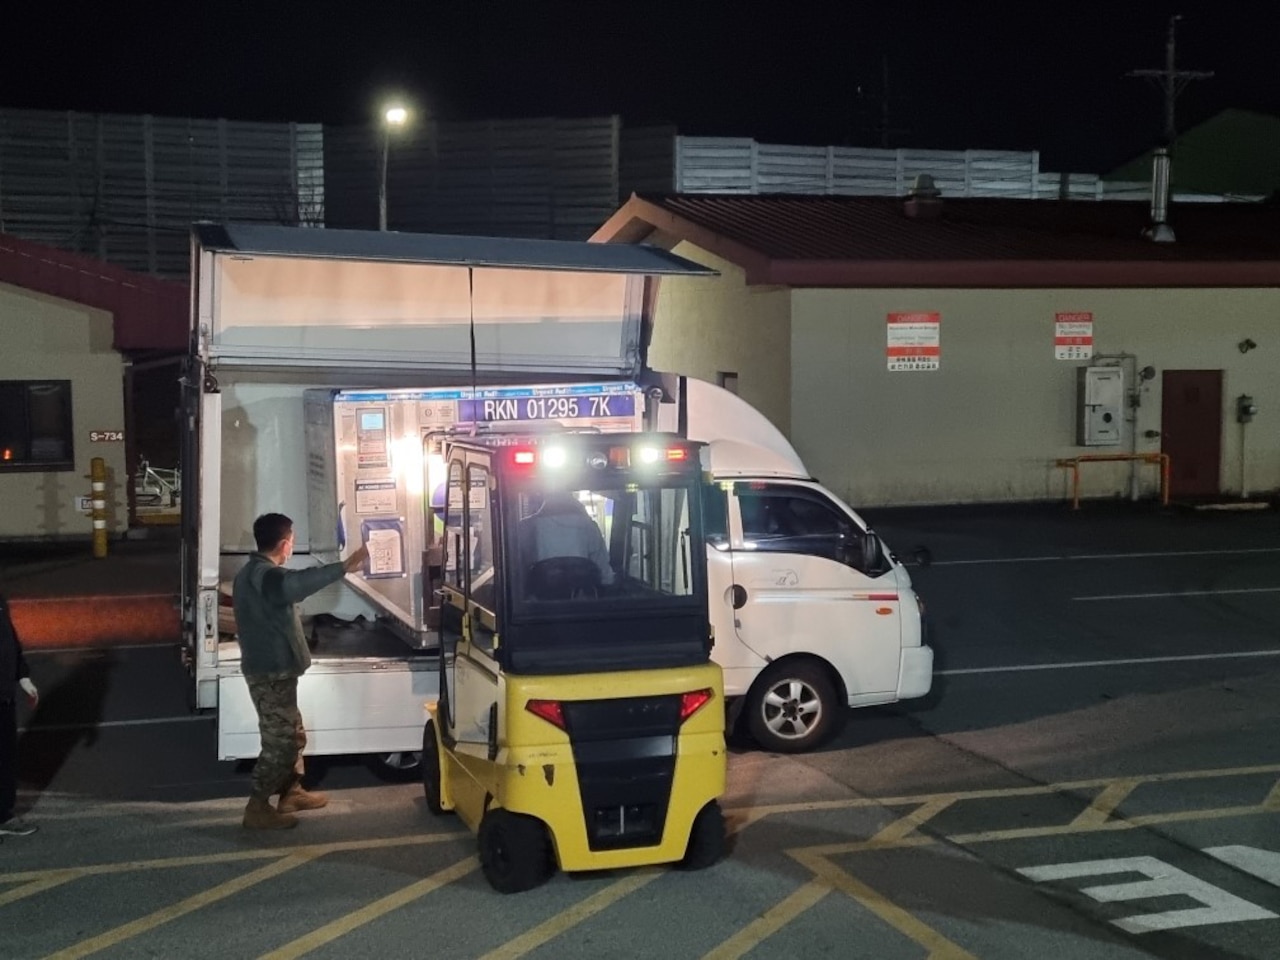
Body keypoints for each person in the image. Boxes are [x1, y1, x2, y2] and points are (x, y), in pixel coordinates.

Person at [233, 513, 368, 830]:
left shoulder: (257, 573)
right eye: (292, 539)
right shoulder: (264, 577)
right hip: (270, 674)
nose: (292, 544)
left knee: (294, 734)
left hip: (276, 671)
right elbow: (296, 585)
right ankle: (257, 806)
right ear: (284, 543)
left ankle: (291, 792)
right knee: (281, 743)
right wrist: (344, 566)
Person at [0, 592, 38, 837]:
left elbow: (10, 638)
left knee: (5, 757)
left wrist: (23, 675)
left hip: (4, 695)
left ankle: (3, 815)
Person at [519, 492, 614, 588]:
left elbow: (517, 576)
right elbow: (605, 576)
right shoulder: (590, 527)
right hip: (582, 599)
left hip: (537, 601)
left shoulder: (525, 528)